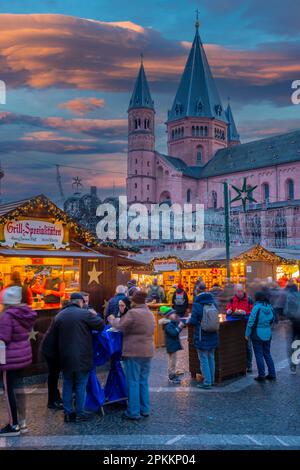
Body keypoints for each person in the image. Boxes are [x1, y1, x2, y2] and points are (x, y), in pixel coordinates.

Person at [52, 293, 105, 423]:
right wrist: (93, 314)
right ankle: (80, 412)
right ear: (81, 302)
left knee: (67, 383)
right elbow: (101, 324)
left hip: (65, 356)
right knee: (81, 384)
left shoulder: (60, 315)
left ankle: (68, 413)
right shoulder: (84, 314)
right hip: (82, 356)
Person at [108, 290, 155, 420]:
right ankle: (145, 409)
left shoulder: (133, 313)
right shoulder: (149, 313)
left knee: (133, 381)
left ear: (134, 301)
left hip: (134, 352)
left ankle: (133, 411)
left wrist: (112, 319)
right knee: (143, 381)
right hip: (148, 351)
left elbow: (120, 325)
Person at [0, 286, 37, 436]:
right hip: (22, 357)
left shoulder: (7, 316)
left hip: (10, 359)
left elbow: (3, 339)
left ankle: (13, 425)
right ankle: (22, 422)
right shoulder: (24, 312)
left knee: (9, 393)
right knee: (18, 390)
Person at [188, 283, 219, 389]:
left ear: (197, 290)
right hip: (213, 333)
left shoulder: (197, 303)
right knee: (211, 356)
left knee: (204, 358)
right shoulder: (212, 301)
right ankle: (212, 379)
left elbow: (193, 321)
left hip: (202, 334)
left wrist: (189, 320)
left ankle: (207, 381)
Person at [245, 291, 276, 382]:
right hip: (268, 333)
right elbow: (273, 319)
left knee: (258, 354)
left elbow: (251, 322)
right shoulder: (269, 307)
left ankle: (261, 375)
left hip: (257, 333)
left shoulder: (257, 307)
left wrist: (247, 334)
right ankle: (272, 373)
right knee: (267, 353)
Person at [226, 284, 254, 373]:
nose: (239, 293)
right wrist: (229, 310)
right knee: (236, 345)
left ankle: (249, 365)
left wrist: (245, 312)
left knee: (248, 346)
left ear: (244, 290)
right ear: (235, 291)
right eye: (237, 291)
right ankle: (238, 365)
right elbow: (229, 308)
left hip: (246, 326)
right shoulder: (231, 299)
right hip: (235, 326)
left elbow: (253, 312)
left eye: (241, 291)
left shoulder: (249, 300)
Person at [159, 306, 185, 384]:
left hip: (172, 345)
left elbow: (177, 323)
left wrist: (179, 322)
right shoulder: (168, 325)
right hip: (171, 345)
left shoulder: (171, 322)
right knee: (172, 361)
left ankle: (172, 373)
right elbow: (174, 333)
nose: (174, 315)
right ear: (169, 316)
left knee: (172, 360)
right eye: (173, 314)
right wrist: (179, 327)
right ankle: (171, 376)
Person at [283, 286, 300, 374]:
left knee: (294, 343)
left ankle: (293, 366)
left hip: (294, 323)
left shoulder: (290, 297)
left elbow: (286, 311)